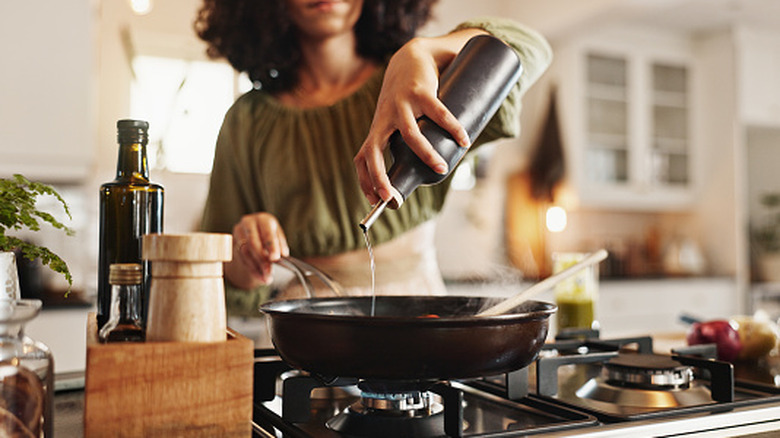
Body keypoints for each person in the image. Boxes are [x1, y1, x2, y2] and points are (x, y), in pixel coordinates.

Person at [195, 0, 552, 314]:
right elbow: (218, 279)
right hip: (314, 327)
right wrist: (247, 252)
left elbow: (529, 50)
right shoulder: (247, 122)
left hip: (419, 313)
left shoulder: (414, 82)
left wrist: (424, 51)